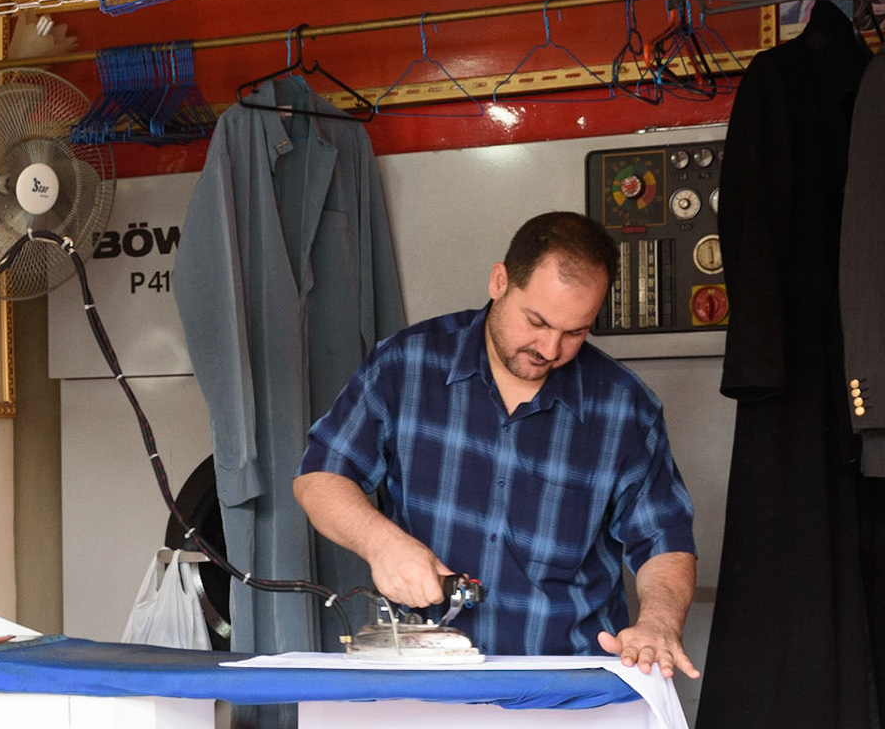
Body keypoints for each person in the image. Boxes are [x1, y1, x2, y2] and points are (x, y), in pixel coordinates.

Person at [293, 211, 700, 678]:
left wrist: (659, 623)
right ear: (499, 281)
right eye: (537, 321)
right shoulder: (406, 365)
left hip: (565, 684)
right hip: (425, 673)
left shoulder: (625, 407)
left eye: (575, 332)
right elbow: (320, 478)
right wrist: (381, 542)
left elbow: (665, 539)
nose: (550, 349)